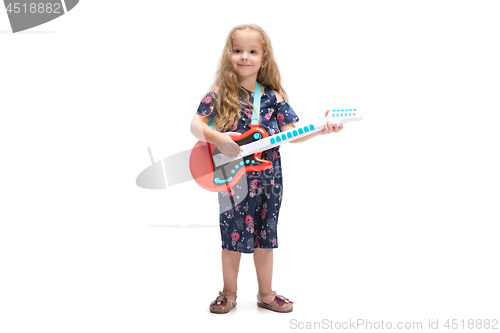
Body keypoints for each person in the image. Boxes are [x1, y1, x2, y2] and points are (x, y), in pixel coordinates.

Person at [190, 24, 343, 314]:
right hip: (233, 178)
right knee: (231, 235)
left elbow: (292, 133)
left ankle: (265, 294)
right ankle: (229, 293)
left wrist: (322, 129)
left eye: (252, 51)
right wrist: (219, 139)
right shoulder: (221, 91)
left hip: (270, 179)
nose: (244, 56)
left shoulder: (273, 97)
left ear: (264, 57)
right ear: (228, 55)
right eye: (237, 50)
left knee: (266, 235)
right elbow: (195, 124)